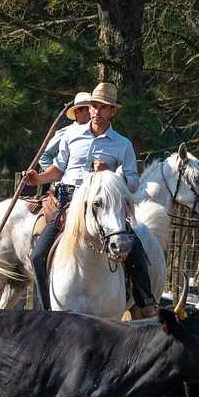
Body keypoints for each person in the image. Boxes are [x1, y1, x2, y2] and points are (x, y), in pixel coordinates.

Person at [21, 82, 158, 316]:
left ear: (112, 111)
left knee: (135, 249)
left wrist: (109, 172)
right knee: (37, 255)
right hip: (69, 204)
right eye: (94, 106)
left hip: (106, 205)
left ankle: (145, 302)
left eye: (103, 107)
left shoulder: (122, 144)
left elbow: (134, 182)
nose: (96, 111)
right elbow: (58, 169)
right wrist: (38, 179)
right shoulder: (70, 136)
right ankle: (47, 313)